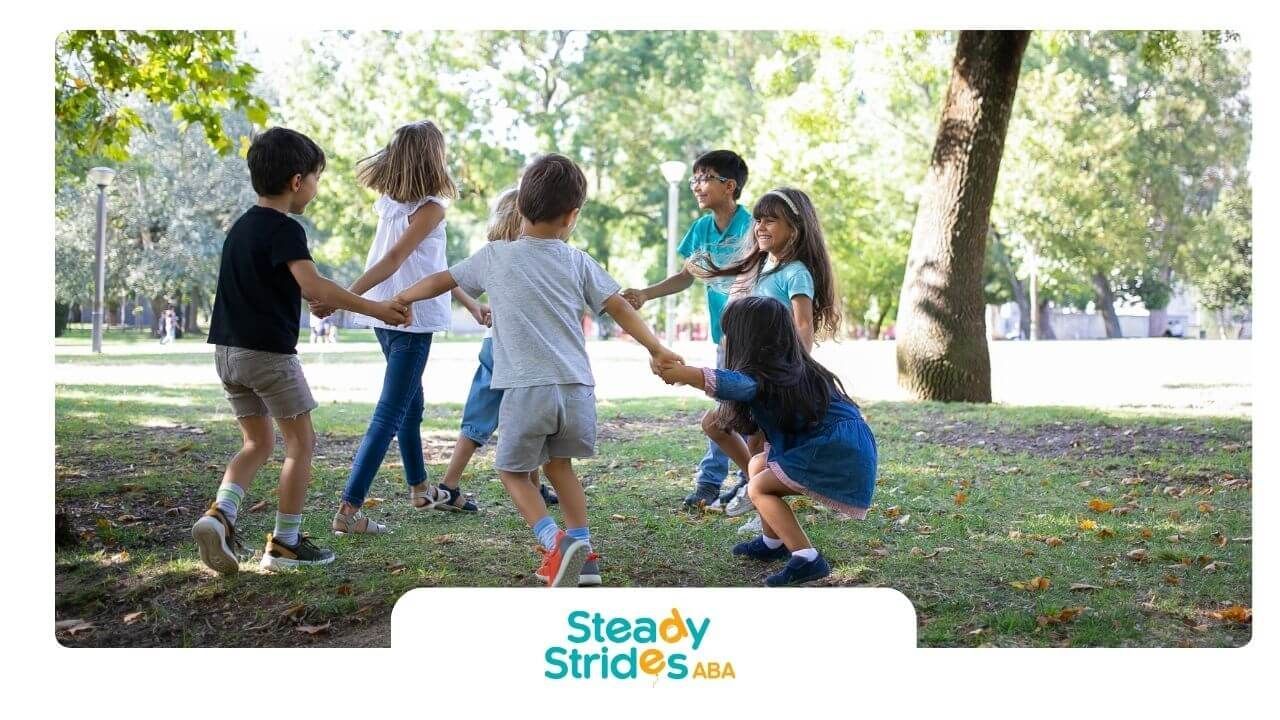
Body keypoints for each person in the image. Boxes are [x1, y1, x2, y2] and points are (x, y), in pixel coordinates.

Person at [392, 153, 682, 587]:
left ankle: (556, 542)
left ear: (520, 208)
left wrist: (403, 298)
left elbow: (443, 280)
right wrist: (657, 348)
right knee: (559, 467)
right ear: (572, 216)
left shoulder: (495, 256)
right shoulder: (577, 260)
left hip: (527, 390)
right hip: (577, 390)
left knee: (512, 471)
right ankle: (586, 559)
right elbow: (618, 305)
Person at [190, 127, 410, 575]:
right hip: (268, 357)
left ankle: (221, 515)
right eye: (315, 178)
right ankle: (285, 543)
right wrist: (377, 309)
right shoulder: (286, 230)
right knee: (300, 443)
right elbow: (312, 286)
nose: (316, 186)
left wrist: (322, 299)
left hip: (227, 355)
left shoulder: (240, 229)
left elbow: (290, 289)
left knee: (256, 442)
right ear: (297, 182)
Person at [308, 120, 489, 535]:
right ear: (433, 159)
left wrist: (471, 303)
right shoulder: (429, 209)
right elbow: (392, 261)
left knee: (411, 404)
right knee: (391, 410)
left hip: (386, 316)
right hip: (409, 317)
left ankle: (420, 490)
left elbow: (436, 267)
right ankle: (348, 510)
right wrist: (341, 297)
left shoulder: (391, 204)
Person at [657, 296, 875, 586]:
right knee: (758, 465)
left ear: (748, 340)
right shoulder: (789, 368)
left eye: (729, 334)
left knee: (759, 487)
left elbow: (734, 383)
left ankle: (807, 559)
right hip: (840, 448)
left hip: (833, 452)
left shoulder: (765, 376)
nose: (725, 341)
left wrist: (685, 374)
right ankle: (773, 543)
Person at [689, 186, 843, 534]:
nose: (761, 226)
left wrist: (796, 371)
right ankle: (751, 485)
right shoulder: (760, 269)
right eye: (758, 219)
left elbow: (803, 325)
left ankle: (764, 518)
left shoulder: (796, 273)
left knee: (758, 444)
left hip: (774, 378)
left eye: (771, 220)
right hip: (747, 373)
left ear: (796, 228)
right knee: (716, 425)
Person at [619, 150, 753, 511]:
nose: (697, 185)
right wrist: (645, 294)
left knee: (730, 409)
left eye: (704, 177)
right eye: (694, 178)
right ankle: (740, 479)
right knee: (728, 408)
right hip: (722, 337)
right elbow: (685, 277)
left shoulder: (752, 227)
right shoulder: (702, 230)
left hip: (753, 337)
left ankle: (719, 482)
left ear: (729, 186)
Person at [436, 186, 560, 514]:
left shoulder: (494, 253)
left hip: (494, 346)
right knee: (528, 415)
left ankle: (450, 485)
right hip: (516, 351)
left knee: (482, 418)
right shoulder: (531, 254)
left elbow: (454, 279)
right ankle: (526, 485)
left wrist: (477, 305)